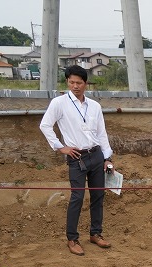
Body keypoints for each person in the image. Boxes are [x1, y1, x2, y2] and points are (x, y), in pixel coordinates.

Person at [39, 65, 116, 256]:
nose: (75, 86)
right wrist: (60, 147)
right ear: (67, 82)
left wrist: (107, 158)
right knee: (77, 197)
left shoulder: (94, 106)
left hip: (96, 154)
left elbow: (101, 133)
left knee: (98, 195)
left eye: (79, 83)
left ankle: (95, 233)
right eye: (71, 82)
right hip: (76, 156)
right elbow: (45, 125)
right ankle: (72, 238)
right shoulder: (59, 103)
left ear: (85, 84)